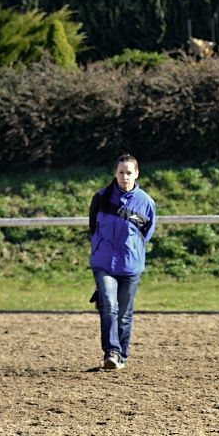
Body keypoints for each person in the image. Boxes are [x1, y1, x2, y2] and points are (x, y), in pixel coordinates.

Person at [88, 155, 156, 370]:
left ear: (136, 174)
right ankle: (112, 352)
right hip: (103, 262)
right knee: (109, 306)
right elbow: (93, 227)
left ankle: (122, 356)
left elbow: (148, 231)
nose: (125, 176)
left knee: (124, 312)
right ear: (115, 174)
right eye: (121, 172)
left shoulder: (146, 202)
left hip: (130, 264)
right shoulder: (101, 198)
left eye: (129, 172)